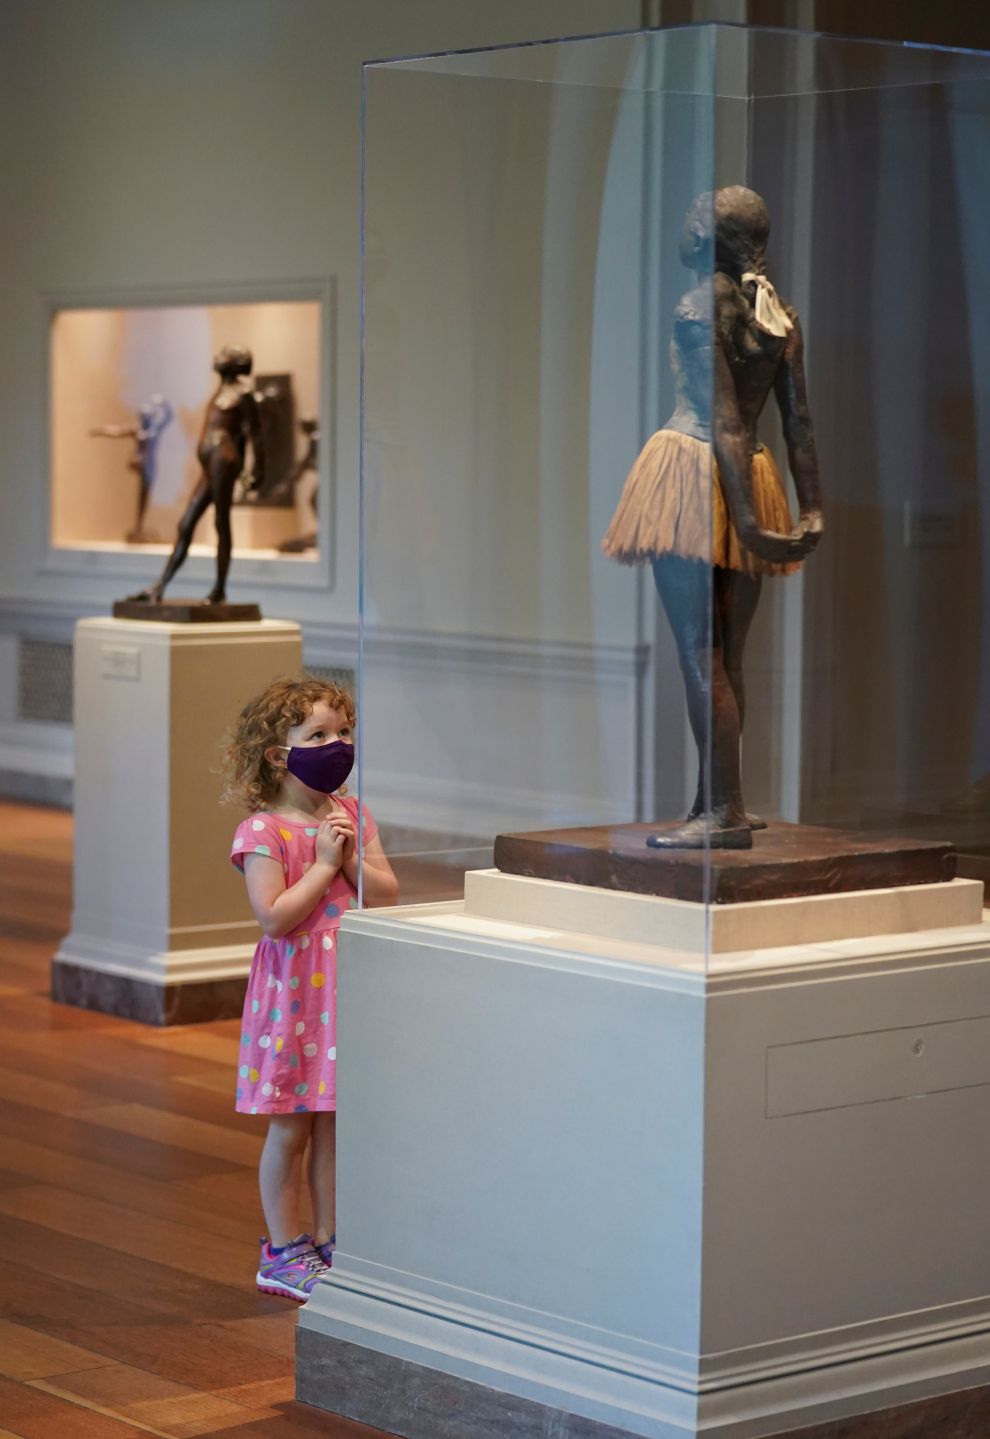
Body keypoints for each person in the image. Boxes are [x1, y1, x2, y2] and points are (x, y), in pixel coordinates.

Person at [602, 186, 823, 849]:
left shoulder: (700, 305)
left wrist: (747, 521)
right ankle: (720, 800)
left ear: (707, 237)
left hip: (693, 474)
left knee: (704, 655)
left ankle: (721, 809)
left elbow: (724, 419)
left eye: (694, 217)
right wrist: (810, 507)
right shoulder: (776, 314)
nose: (685, 224)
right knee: (730, 658)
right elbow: (798, 423)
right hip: (749, 470)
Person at [220, 675, 399, 1300]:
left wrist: (348, 858)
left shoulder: (353, 815)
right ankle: (281, 1248)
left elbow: (387, 894)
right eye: (318, 735)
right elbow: (274, 917)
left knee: (334, 1124)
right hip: (295, 996)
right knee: (292, 1127)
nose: (337, 745)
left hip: (347, 990)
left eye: (343, 732)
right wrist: (324, 865)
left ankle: (330, 1237)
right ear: (278, 754)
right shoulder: (263, 832)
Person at [129, 345, 264, 604]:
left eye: (224, 355)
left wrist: (257, 471)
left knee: (221, 522)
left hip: (224, 460)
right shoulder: (221, 391)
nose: (218, 358)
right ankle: (159, 586)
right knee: (186, 523)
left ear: (235, 362)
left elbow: (255, 434)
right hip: (211, 463)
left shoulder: (243, 393)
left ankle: (219, 590)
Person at [89, 393, 173, 543]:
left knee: (145, 496)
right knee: (141, 496)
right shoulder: (137, 429)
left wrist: (163, 403)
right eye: (143, 416)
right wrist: (100, 430)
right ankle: (138, 527)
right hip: (140, 465)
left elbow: (169, 417)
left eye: (147, 416)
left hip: (150, 466)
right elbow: (116, 431)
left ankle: (140, 527)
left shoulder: (155, 429)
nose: (145, 418)